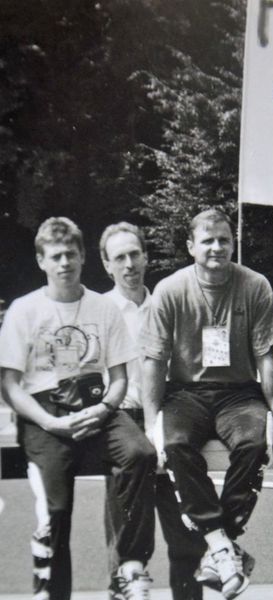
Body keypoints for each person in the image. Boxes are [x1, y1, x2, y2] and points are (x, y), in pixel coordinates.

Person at [140, 208, 273, 600]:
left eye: (224, 239)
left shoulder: (255, 285)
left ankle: (221, 545)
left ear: (233, 242)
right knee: (175, 446)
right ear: (191, 246)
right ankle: (224, 546)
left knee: (253, 444)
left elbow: (266, 359)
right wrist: (149, 423)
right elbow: (154, 362)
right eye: (207, 240)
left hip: (239, 391)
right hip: (186, 392)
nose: (216, 247)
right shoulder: (170, 290)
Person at [0, 217, 156, 600]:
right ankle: (54, 593)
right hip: (45, 412)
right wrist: (50, 422)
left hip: (95, 406)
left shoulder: (104, 308)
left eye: (71, 254)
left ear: (84, 256)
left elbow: (119, 377)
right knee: (56, 510)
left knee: (140, 454)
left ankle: (129, 565)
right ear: (41, 261)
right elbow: (9, 384)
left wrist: (103, 409)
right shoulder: (24, 310)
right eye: (56, 256)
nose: (65, 263)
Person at [100, 222, 204, 600]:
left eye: (134, 254)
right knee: (127, 554)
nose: (129, 264)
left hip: (169, 418)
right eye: (119, 258)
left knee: (187, 537)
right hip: (123, 423)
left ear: (146, 256)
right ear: (106, 265)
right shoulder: (100, 310)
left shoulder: (168, 301)